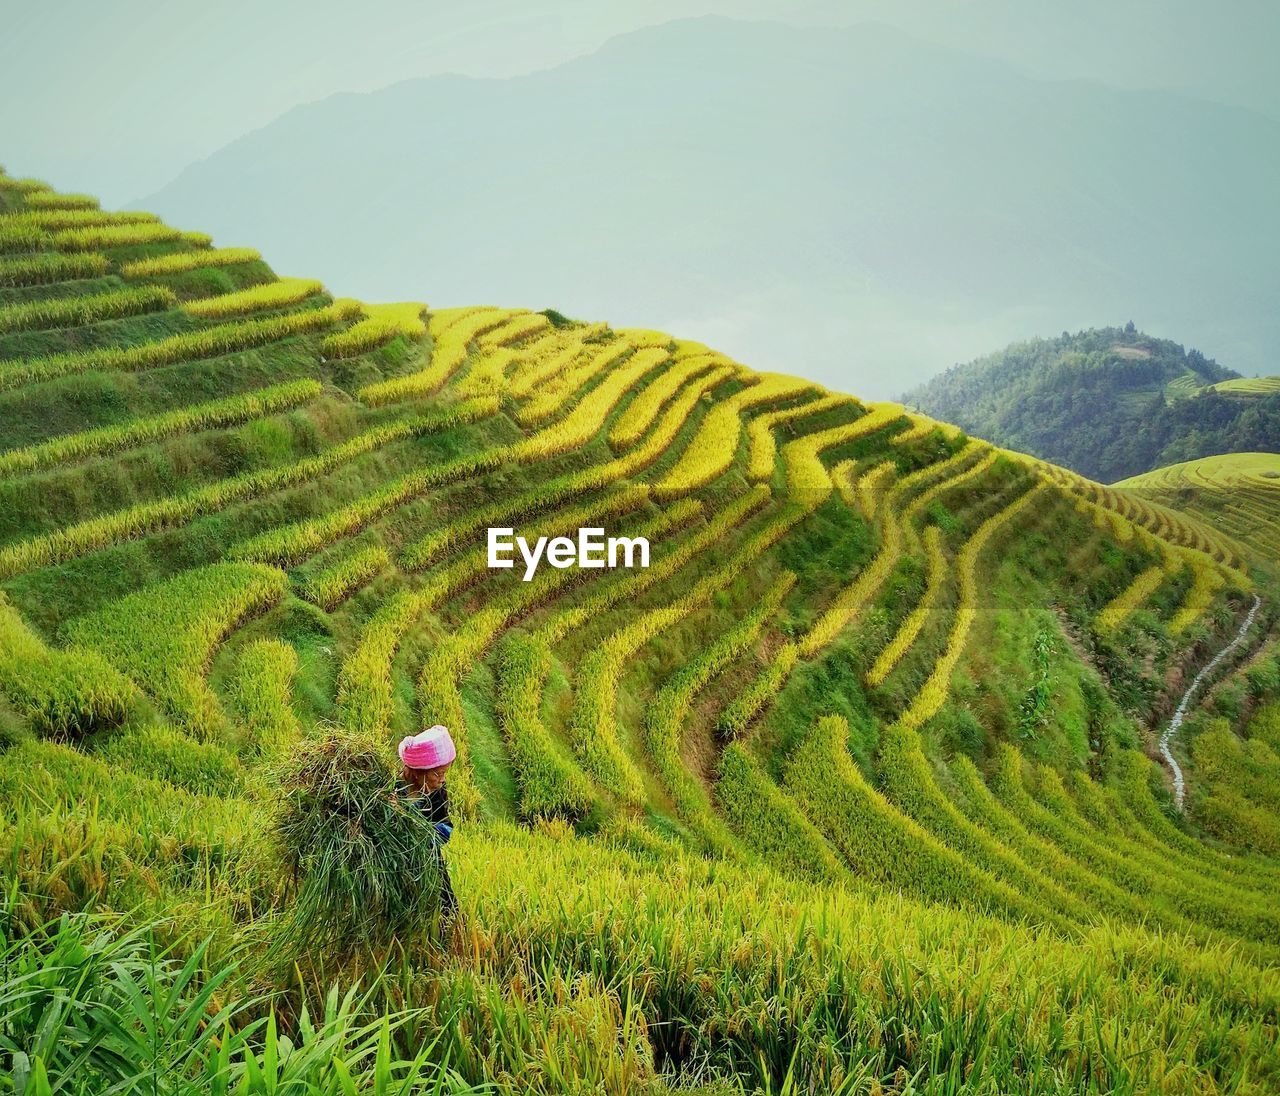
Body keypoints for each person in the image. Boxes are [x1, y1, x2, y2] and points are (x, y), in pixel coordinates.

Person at [397, 725, 458, 921]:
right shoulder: (394, 791)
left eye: (444, 774)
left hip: (429, 862)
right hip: (398, 866)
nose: (442, 780)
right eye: (437, 774)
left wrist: (421, 833)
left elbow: (444, 826)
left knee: (445, 910)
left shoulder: (438, 793)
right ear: (417, 773)